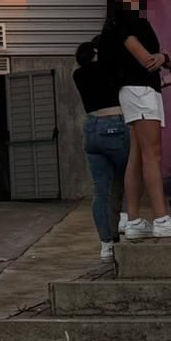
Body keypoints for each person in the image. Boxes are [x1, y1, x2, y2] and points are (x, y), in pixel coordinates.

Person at [98, 0, 171, 239]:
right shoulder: (131, 23)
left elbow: (156, 59)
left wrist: (163, 58)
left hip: (132, 93)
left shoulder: (114, 25)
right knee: (153, 155)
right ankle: (162, 217)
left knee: (138, 155)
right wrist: (164, 57)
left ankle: (133, 220)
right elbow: (149, 61)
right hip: (142, 92)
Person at [74, 40, 130, 260]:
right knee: (128, 177)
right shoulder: (108, 68)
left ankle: (106, 244)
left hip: (92, 128)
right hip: (115, 124)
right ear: (97, 53)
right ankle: (128, 220)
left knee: (101, 190)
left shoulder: (78, 75)